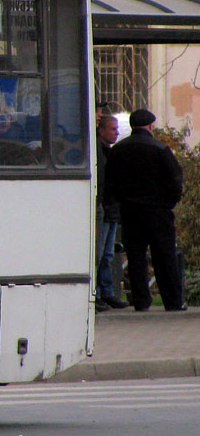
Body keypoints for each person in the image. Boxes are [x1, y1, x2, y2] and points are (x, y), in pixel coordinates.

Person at [105, 109, 187, 312]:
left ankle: (141, 300)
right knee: (164, 257)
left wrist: (121, 200)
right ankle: (173, 301)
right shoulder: (160, 149)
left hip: (130, 211)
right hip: (158, 212)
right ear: (150, 126)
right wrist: (169, 202)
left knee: (135, 257)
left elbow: (110, 182)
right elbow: (175, 180)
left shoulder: (118, 150)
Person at [94, 108, 128, 311]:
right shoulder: (100, 152)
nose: (116, 133)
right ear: (102, 130)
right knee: (99, 255)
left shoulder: (111, 151)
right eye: (113, 129)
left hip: (112, 209)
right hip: (105, 208)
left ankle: (107, 293)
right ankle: (99, 293)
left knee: (107, 255)